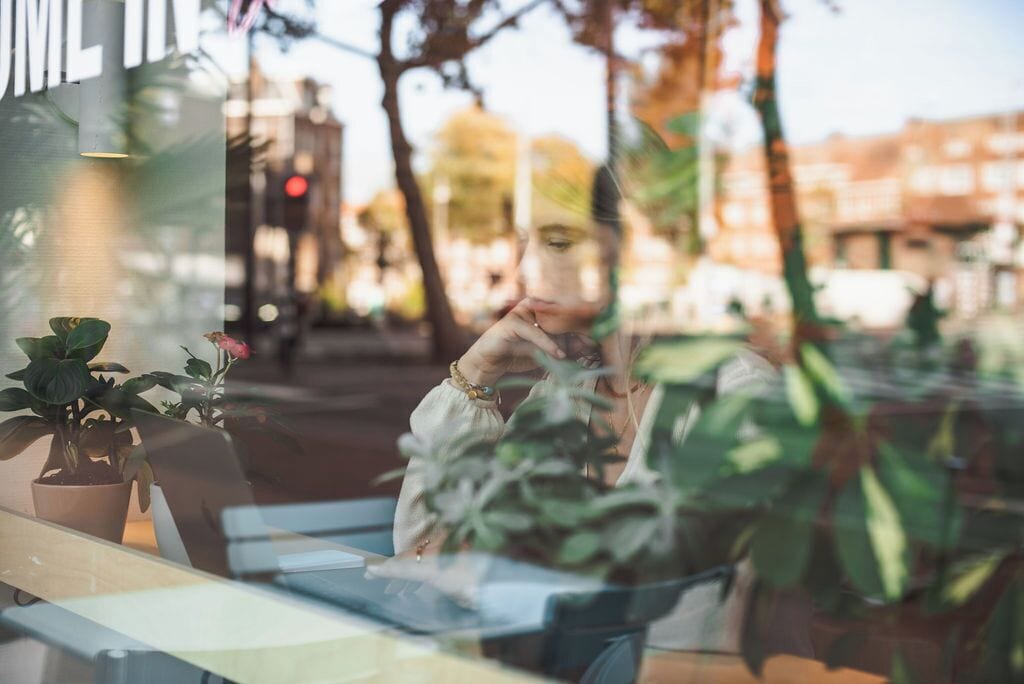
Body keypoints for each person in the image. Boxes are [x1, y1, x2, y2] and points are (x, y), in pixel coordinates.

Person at [384, 189, 793, 652]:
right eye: (525, 247)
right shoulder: (566, 393)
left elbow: (682, 616)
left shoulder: (737, 395)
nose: (523, 273)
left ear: (638, 254)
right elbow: (418, 554)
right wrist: (475, 376)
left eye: (557, 243)